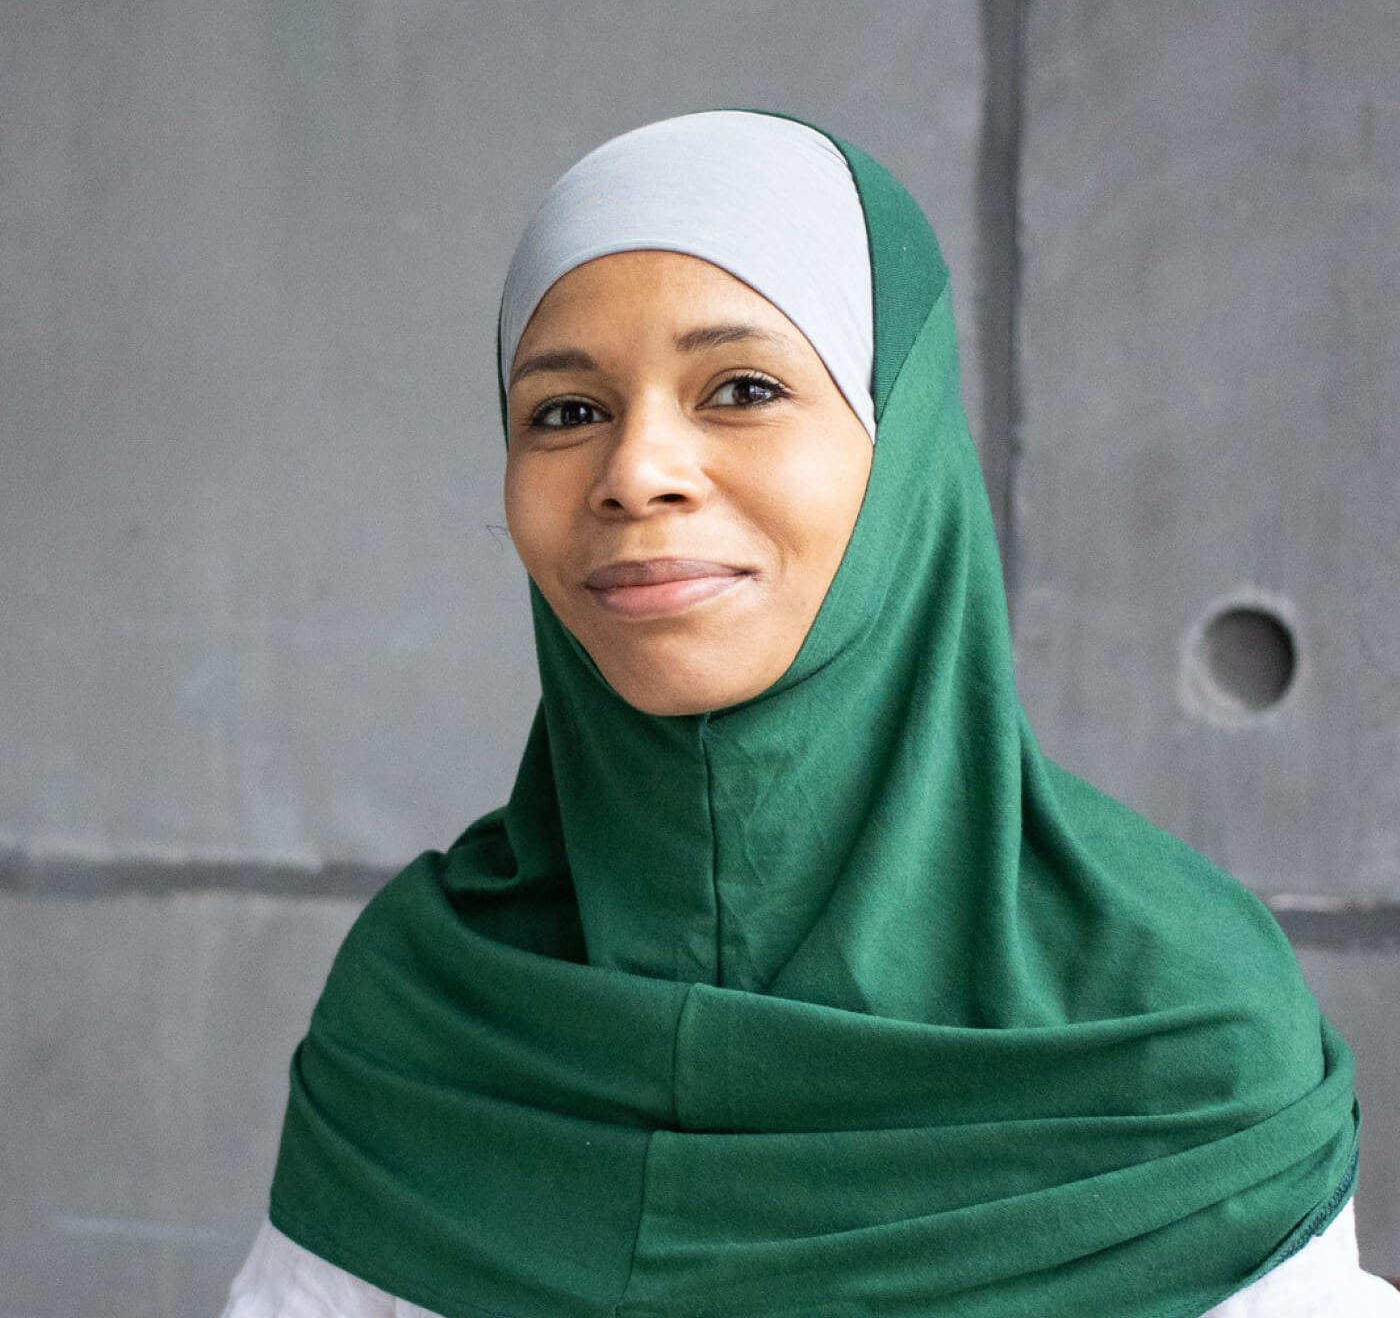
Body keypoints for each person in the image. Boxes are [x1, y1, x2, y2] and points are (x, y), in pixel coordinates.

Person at [222, 111, 1399, 1317]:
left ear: (902, 445)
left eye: (741, 388)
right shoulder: (426, 1006)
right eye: (565, 411)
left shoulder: (1178, 1026)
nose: (635, 471)